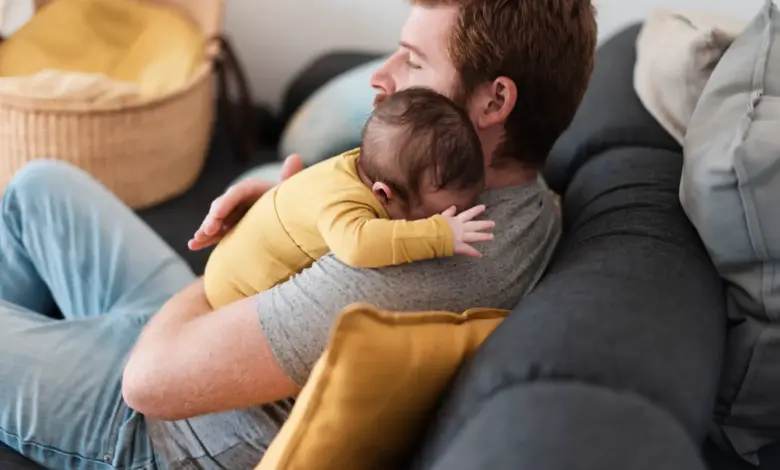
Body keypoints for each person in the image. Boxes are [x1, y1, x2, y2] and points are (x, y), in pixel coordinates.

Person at [0, 1, 597, 469]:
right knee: (38, 187)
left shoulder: (412, 257)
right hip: (218, 340)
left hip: (164, 431)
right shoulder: (531, 204)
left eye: (413, 62)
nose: (383, 79)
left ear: (496, 99)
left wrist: (235, 254)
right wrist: (278, 216)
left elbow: (148, 384)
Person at [205, 87, 495, 308]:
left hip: (232, 260)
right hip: (235, 291)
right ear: (384, 194)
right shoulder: (347, 204)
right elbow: (358, 245)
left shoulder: (358, 165)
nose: (448, 219)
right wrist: (439, 235)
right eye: (435, 215)